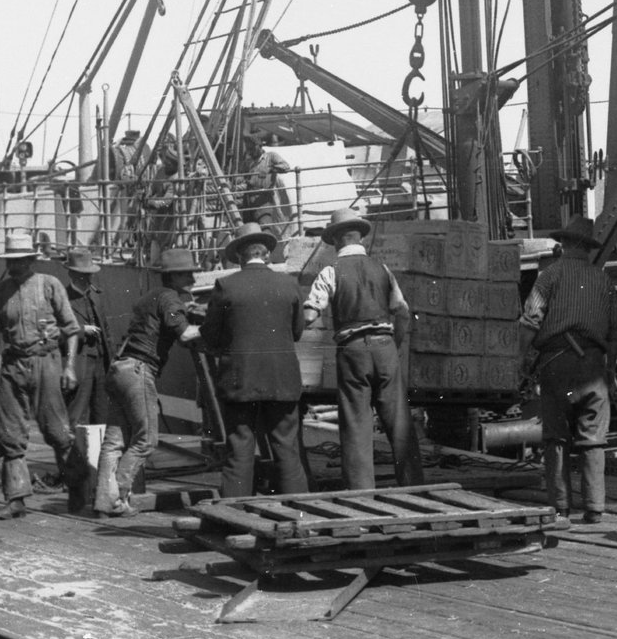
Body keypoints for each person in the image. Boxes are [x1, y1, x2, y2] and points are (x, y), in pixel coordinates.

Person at [301, 209, 419, 490]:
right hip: (386, 347)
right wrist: (395, 344)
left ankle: (362, 493)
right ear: (359, 239)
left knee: (356, 423)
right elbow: (402, 312)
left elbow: (309, 315)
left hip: (352, 350)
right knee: (399, 421)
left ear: (336, 241)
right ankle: (414, 485)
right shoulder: (383, 269)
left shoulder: (330, 271)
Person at [518, 215, 617, 524]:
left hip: (556, 364)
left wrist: (519, 361)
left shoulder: (548, 277)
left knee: (557, 437)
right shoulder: (604, 280)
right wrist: (610, 372)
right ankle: (594, 508)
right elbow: (616, 333)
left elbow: (530, 322)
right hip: (594, 364)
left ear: (563, 244)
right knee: (593, 438)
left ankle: (561, 506)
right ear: (588, 248)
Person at [200, 222, 310, 499]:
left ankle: (234, 512)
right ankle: (300, 511)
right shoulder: (289, 284)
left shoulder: (226, 285)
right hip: (282, 377)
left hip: (241, 379)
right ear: (267, 253)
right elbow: (297, 332)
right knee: (286, 446)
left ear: (239, 255)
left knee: (240, 447)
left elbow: (211, 336)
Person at [96, 247, 202, 517]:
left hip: (119, 368)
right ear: (175, 277)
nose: (192, 278)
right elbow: (186, 334)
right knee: (146, 440)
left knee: (114, 441)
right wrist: (210, 323)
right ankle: (118, 498)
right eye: (188, 273)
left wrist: (185, 308)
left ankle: (103, 500)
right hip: (139, 371)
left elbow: (161, 317)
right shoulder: (170, 299)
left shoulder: (152, 297)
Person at [0, 244, 88, 519]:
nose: (14, 265)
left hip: (47, 362)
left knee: (57, 431)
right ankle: (16, 498)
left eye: (20, 260)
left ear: (31, 260)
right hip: (12, 365)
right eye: (11, 261)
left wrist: (69, 368)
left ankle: (78, 489)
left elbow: (71, 330)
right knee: (10, 434)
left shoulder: (50, 285)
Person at [60, 248, 116, 518]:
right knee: (73, 424)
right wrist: (80, 331)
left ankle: (98, 488)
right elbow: (51, 330)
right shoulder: (62, 298)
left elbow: (108, 332)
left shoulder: (97, 296)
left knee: (101, 424)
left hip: (101, 368)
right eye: (82, 276)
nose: (86, 280)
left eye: (89, 275)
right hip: (79, 367)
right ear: (71, 274)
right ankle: (75, 489)